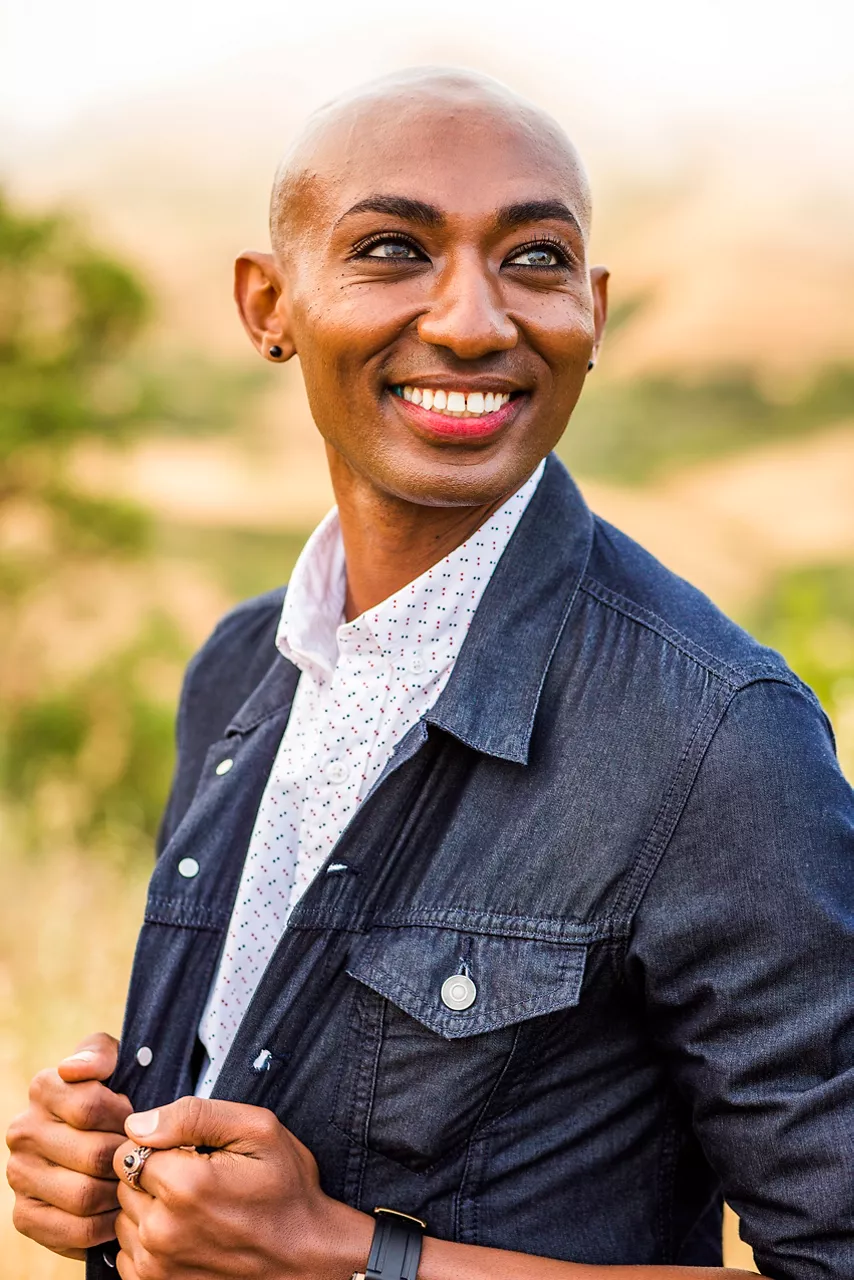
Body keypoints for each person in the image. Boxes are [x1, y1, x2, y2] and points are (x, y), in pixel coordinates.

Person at [6, 67, 853, 1280]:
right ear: (268, 303)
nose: (470, 320)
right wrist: (113, 1171)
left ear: (594, 310)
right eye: (394, 248)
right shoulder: (241, 666)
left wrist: (353, 1256)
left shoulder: (716, 737)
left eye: (535, 259)